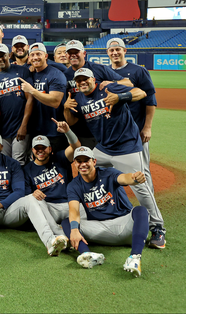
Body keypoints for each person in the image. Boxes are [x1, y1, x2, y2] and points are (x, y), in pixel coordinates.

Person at [63, 68, 166, 248]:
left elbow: (140, 92)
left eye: (85, 79)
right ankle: (89, 212)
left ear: (93, 79)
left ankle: (157, 227)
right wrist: (66, 108)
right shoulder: (78, 97)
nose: (82, 83)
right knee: (84, 169)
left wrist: (120, 97)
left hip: (127, 147)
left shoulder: (107, 88)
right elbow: (71, 122)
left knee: (140, 187)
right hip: (103, 148)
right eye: (79, 81)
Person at [61, 147, 150, 277]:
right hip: (100, 228)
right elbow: (74, 209)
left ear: (94, 161)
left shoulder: (108, 173)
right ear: (75, 164)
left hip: (125, 226)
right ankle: (87, 254)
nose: (83, 164)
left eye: (86, 160)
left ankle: (135, 257)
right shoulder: (74, 185)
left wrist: (134, 179)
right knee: (67, 223)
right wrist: (74, 230)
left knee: (141, 211)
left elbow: (124, 178)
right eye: (79, 161)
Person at [105, 38, 158, 190]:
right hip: (113, 131)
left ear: (124, 51)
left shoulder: (138, 71)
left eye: (118, 49)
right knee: (110, 169)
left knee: (142, 169)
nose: (115, 53)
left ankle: (150, 205)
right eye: (111, 50)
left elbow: (150, 100)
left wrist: (147, 127)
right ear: (107, 53)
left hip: (136, 129)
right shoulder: (105, 72)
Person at [61, 39, 130, 149]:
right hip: (80, 123)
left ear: (84, 53)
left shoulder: (98, 68)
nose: (73, 56)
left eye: (76, 52)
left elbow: (128, 83)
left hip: (102, 121)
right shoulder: (65, 75)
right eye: (70, 53)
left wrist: (112, 82)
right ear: (67, 55)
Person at [23, 125, 83, 235]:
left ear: (50, 149)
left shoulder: (60, 157)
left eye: (43, 148)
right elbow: (27, 196)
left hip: (70, 204)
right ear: (32, 150)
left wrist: (67, 131)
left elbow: (76, 147)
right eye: (37, 148)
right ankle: (58, 231)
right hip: (49, 209)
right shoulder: (27, 170)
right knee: (34, 202)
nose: (40, 151)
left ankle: (68, 231)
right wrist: (33, 193)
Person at [17, 43, 68, 152]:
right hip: (36, 129)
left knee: (58, 164)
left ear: (45, 56)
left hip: (55, 130)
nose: (35, 57)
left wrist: (32, 90)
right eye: (33, 55)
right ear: (29, 58)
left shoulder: (56, 74)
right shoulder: (30, 74)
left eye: (39, 54)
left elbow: (55, 102)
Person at [0, 44, 32, 164]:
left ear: (9, 55)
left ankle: (21, 183)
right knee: (5, 163)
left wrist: (24, 125)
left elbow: (30, 99)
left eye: (3, 56)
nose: (0, 59)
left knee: (18, 161)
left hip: (19, 127)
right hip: (2, 129)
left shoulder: (22, 71)